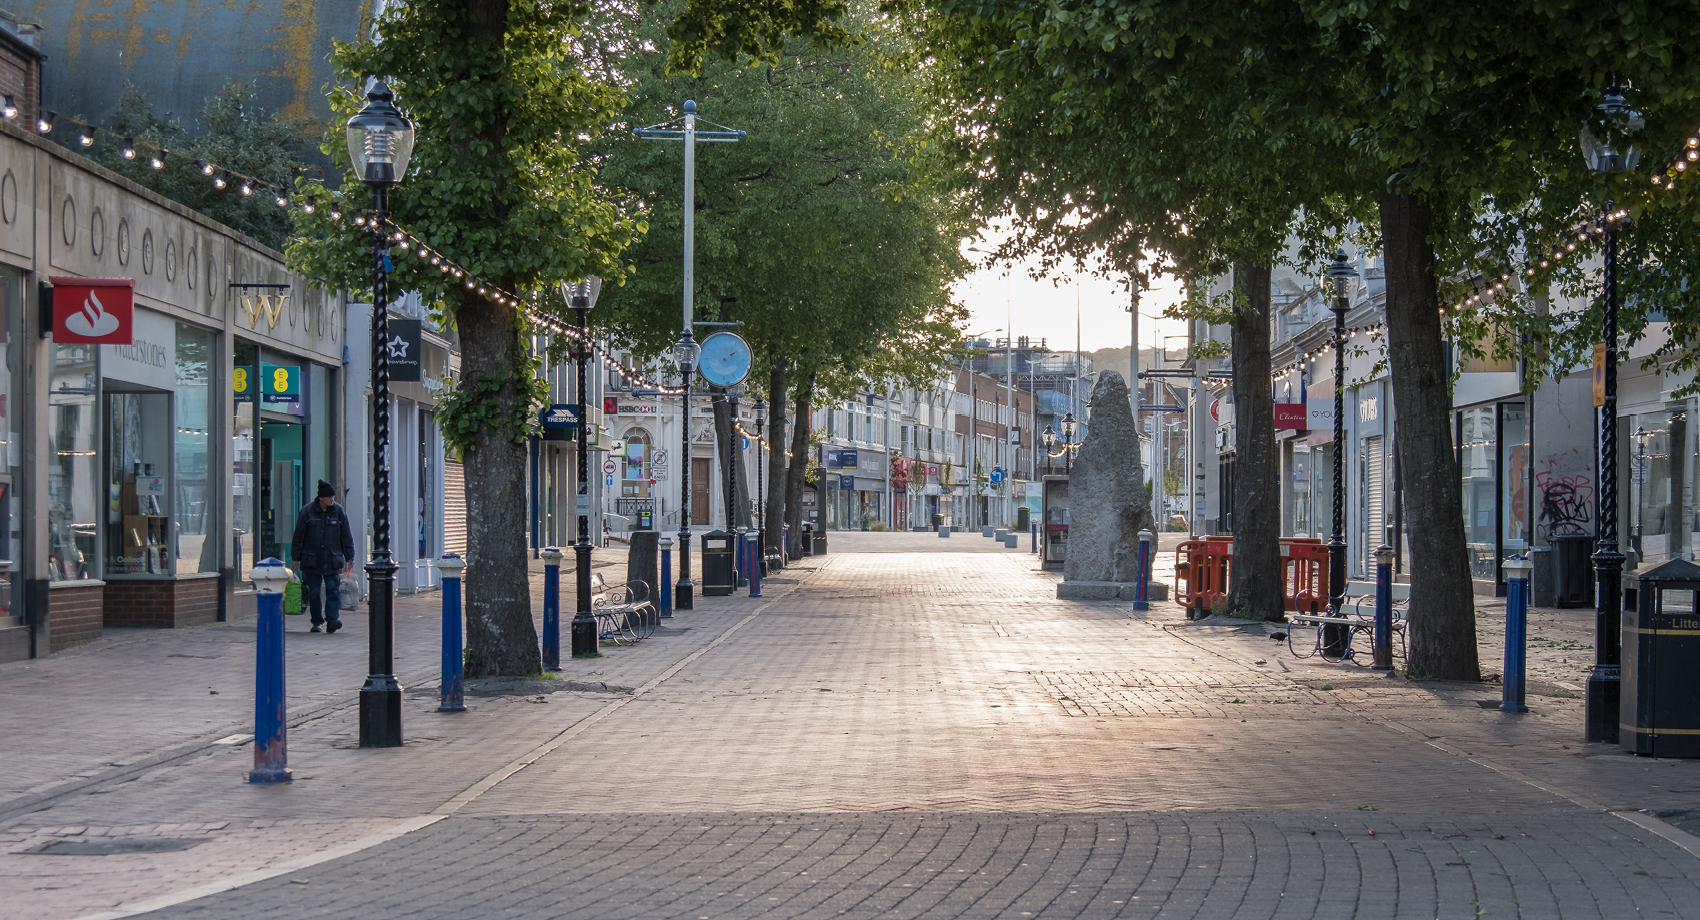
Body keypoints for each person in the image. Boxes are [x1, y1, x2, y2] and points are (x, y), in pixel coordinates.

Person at [292, 480, 355, 634]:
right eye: (329, 498)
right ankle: (316, 621)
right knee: (313, 592)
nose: (332, 500)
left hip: (332, 559)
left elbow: (346, 536)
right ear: (321, 498)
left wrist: (350, 557)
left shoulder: (338, 511)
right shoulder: (307, 512)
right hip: (311, 559)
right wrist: (295, 558)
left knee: (333, 590)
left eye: (333, 498)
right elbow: (298, 536)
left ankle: (332, 620)